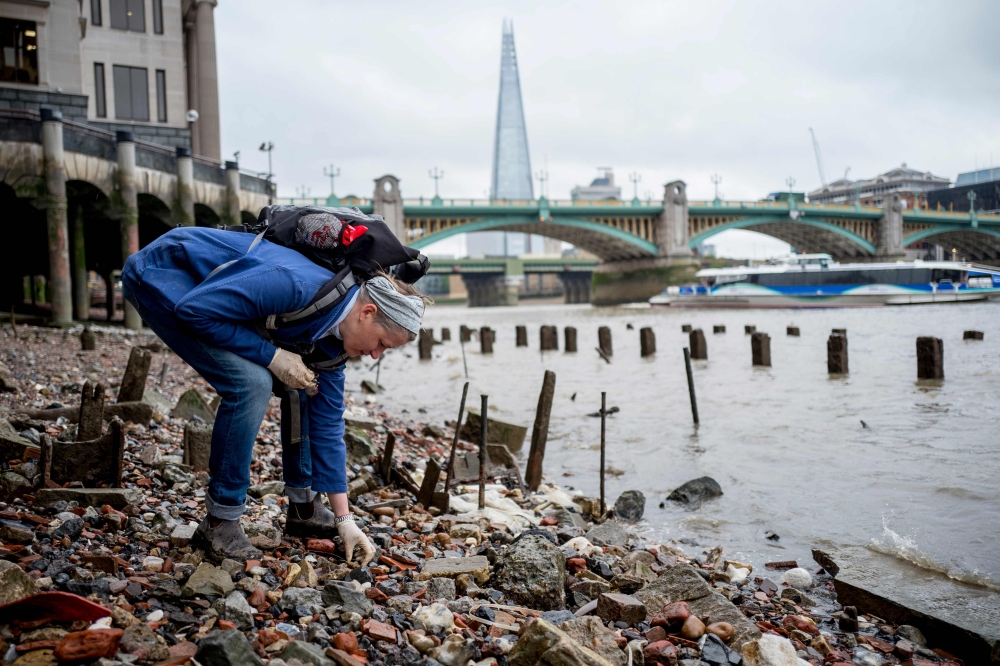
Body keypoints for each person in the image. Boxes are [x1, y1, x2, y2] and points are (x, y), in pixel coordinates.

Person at [121, 223, 428, 563]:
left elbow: (328, 426)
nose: (375, 356)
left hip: (212, 299)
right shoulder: (295, 285)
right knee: (251, 382)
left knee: (304, 383)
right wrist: (273, 356)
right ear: (367, 313)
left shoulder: (334, 346)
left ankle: (305, 508)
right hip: (166, 272)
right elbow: (195, 311)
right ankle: (220, 520)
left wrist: (346, 520)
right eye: (382, 344)